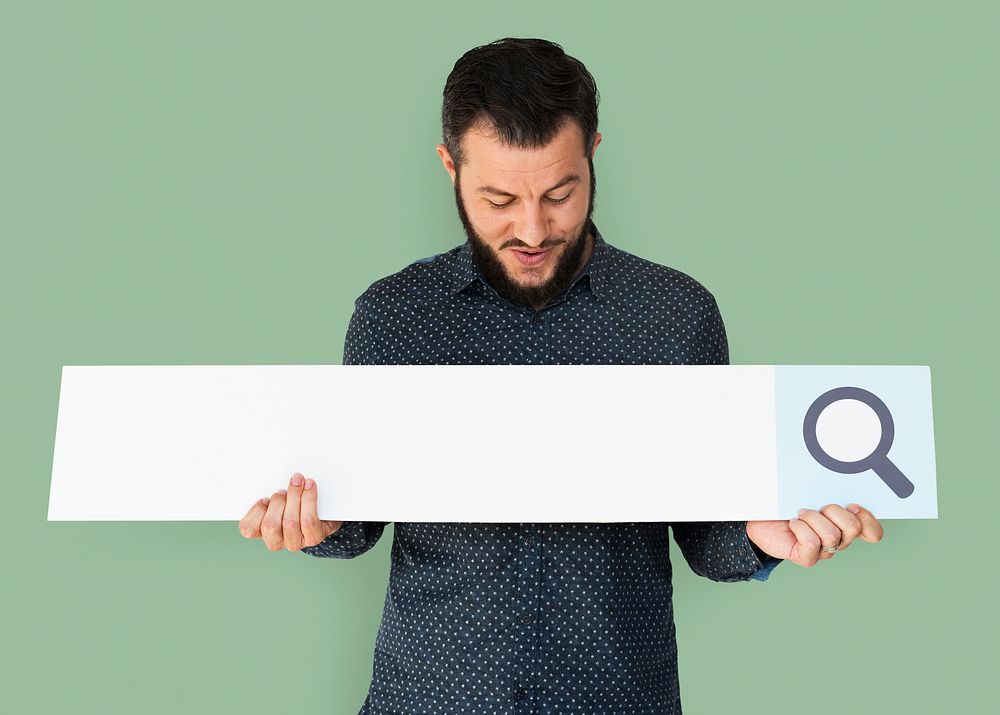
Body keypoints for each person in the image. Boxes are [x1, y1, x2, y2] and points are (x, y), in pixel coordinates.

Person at [239, 37, 884, 714]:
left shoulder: (674, 315)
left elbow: (706, 533)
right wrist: (310, 526)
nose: (532, 228)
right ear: (449, 168)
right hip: (427, 696)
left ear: (592, 156)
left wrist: (758, 537)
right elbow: (355, 524)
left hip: (619, 699)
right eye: (497, 198)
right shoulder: (392, 317)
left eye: (559, 192)